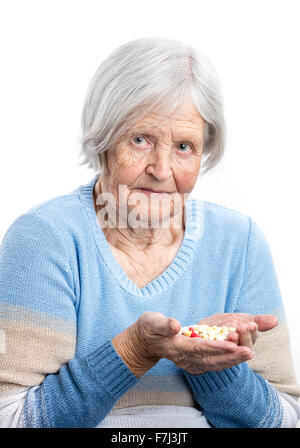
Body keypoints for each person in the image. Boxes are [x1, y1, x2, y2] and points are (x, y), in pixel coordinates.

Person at [0, 37, 299, 428]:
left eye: (184, 147)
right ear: (104, 140)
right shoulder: (45, 239)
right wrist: (133, 352)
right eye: (141, 140)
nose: (161, 169)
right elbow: (13, 419)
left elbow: (288, 420)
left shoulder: (238, 242)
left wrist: (214, 366)